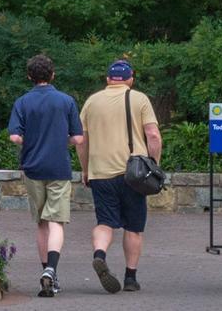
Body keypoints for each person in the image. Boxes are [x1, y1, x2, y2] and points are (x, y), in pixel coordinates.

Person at [77, 58, 161, 293]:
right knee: (133, 227)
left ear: (107, 80)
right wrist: (154, 166)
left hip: (101, 173)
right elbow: (153, 135)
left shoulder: (91, 102)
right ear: (130, 79)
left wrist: (86, 169)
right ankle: (130, 278)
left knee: (105, 222)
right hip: (134, 173)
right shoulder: (139, 98)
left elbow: (81, 142)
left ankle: (100, 254)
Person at [9, 53, 86, 297]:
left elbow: (15, 136)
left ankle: (47, 271)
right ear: (52, 74)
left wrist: (29, 140)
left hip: (32, 168)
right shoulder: (66, 101)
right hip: (59, 168)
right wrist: (61, 140)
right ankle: (51, 270)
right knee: (56, 221)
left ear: (29, 76)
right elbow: (78, 138)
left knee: (41, 222)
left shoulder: (22, 102)